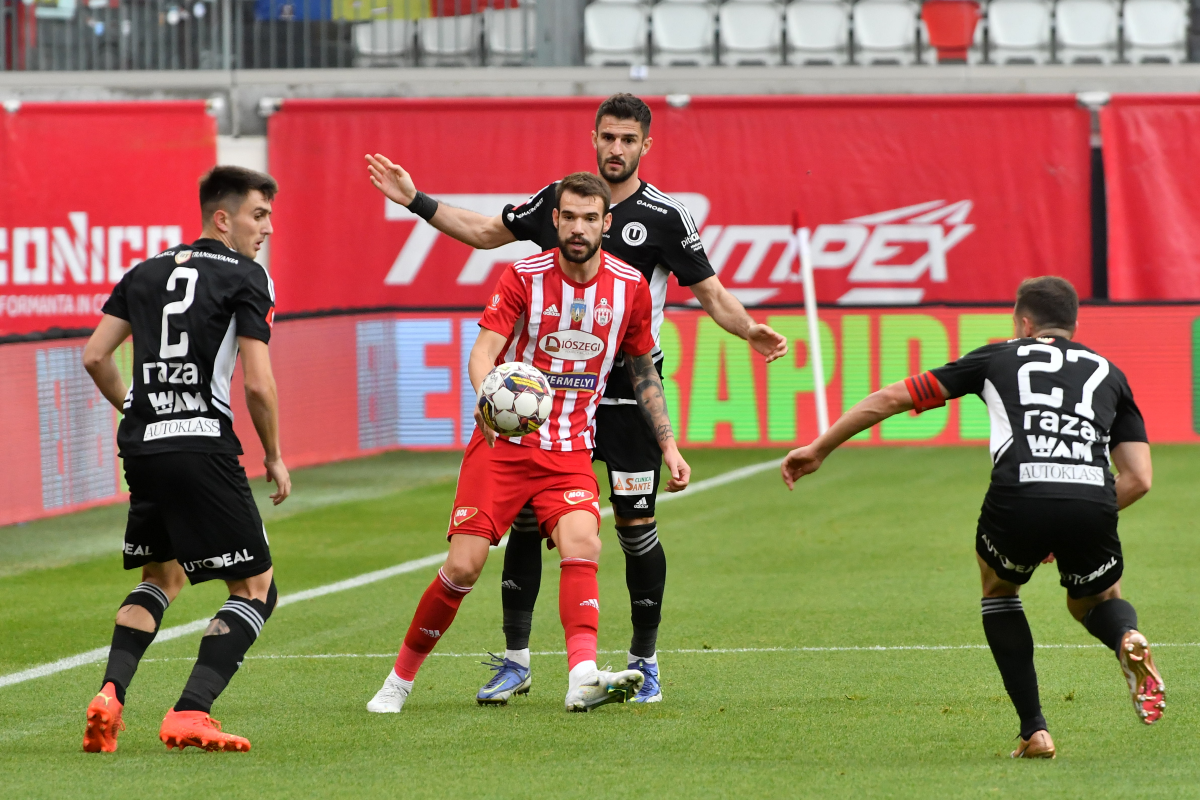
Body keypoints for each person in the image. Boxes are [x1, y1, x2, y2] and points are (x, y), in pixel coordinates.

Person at [365, 93, 787, 705]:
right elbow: (486, 233)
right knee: (530, 522)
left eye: (628, 140)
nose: (616, 149)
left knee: (634, 526)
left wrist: (748, 329)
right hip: (546, 399)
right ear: (594, 138)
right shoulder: (557, 202)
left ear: (646, 147)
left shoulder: (665, 217)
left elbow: (712, 294)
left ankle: (645, 658)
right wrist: (416, 201)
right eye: (608, 138)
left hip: (625, 394)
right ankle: (515, 659)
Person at [780, 276, 1161, 759]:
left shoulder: (996, 356)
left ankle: (1035, 731)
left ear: (1024, 322)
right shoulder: (1111, 372)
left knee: (999, 589)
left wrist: (818, 449)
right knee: (1093, 600)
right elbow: (1140, 478)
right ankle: (1126, 636)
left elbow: (892, 398)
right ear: (1073, 324)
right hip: (1092, 495)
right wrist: (1084, 509)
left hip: (1019, 492)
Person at [366, 172, 691, 714]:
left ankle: (582, 675)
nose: (580, 228)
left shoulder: (630, 286)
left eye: (591, 218)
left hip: (568, 452)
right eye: (570, 217)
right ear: (556, 221)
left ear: (606, 224)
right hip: (505, 447)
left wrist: (669, 444)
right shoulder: (523, 275)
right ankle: (398, 680)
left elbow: (642, 372)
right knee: (464, 566)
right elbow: (484, 350)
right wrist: (485, 396)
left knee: (584, 543)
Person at [80, 166, 290, 754]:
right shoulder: (249, 278)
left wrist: (135, 407)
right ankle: (191, 712)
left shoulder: (143, 272)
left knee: (162, 576)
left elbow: (96, 355)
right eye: (258, 215)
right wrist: (273, 454)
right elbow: (257, 385)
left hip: (143, 443)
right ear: (222, 218)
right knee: (255, 587)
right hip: (202, 441)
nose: (267, 228)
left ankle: (110, 696)